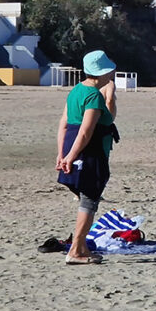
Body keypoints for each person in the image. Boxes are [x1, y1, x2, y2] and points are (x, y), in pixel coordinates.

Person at [55, 50, 119, 265]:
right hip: (88, 154)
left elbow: (63, 125)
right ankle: (75, 250)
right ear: (101, 72)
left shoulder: (75, 91)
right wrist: (70, 157)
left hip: (73, 150)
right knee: (89, 200)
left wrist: (62, 154)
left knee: (87, 199)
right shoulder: (92, 95)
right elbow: (85, 131)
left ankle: (80, 246)